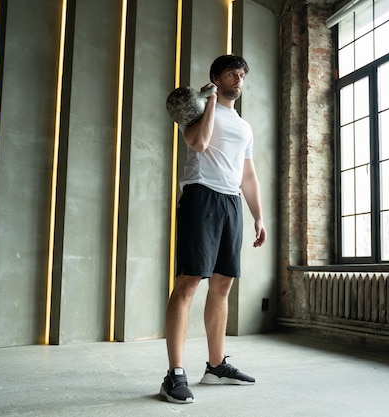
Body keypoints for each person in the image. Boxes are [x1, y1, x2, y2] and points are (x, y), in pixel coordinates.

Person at [159, 55, 267, 404]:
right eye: (233, 74)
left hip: (231, 202)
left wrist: (258, 217)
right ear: (215, 78)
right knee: (189, 282)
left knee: (222, 284)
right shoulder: (196, 109)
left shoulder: (244, 126)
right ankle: (174, 373)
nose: (239, 79)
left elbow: (248, 175)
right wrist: (209, 103)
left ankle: (217, 365)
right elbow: (199, 143)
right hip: (201, 196)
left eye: (242, 75)